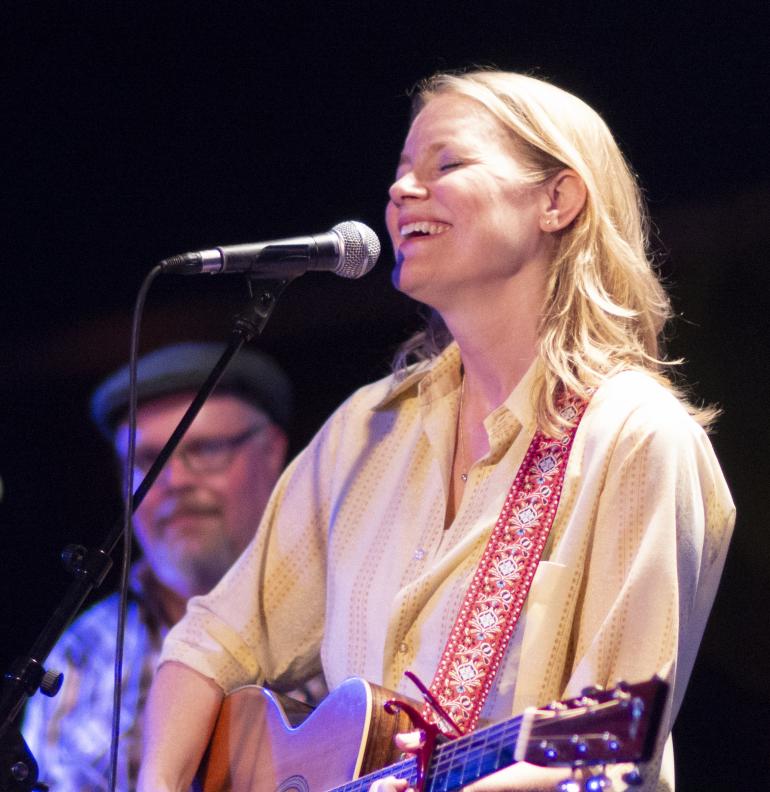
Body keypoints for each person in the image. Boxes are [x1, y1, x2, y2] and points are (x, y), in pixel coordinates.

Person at [137, 70, 735, 792]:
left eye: (447, 164)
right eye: (400, 174)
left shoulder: (636, 438)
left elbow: (608, 755)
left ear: (558, 200)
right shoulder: (365, 430)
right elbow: (210, 643)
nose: (401, 192)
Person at [23, 342, 327, 791]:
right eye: (148, 461)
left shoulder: (345, 605)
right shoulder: (79, 654)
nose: (176, 482)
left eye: (205, 450)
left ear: (273, 451)